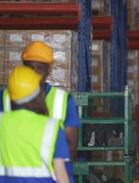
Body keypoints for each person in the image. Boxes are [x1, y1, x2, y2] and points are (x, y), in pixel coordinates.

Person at [0, 41, 80, 182]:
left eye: (39, 67)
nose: (36, 72)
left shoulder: (62, 100)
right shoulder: (52, 126)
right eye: (32, 67)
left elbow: (71, 145)